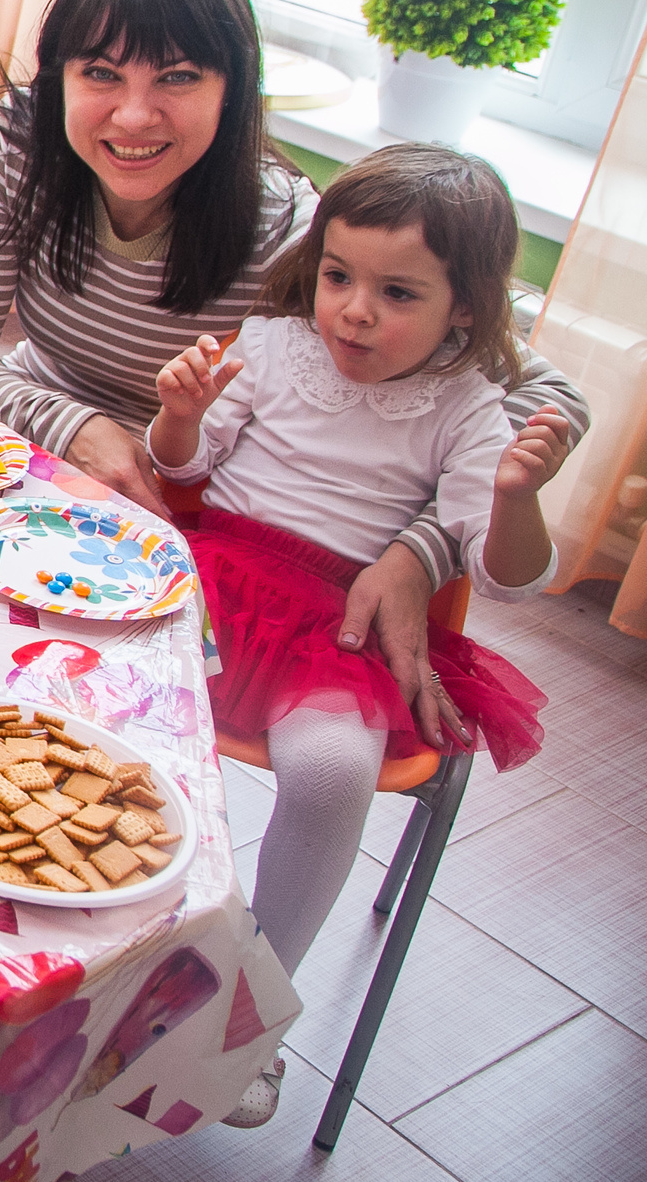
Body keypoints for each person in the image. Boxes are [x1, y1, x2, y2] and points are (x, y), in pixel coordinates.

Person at [0, 0, 587, 724]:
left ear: (232, 90)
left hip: (169, 513)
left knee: (53, 704)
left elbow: (548, 397)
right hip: (25, 440)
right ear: (59, 75)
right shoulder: (20, 141)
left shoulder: (289, 226)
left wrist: (421, 552)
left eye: (177, 77)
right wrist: (80, 427)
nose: (133, 114)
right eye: (99, 72)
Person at [148, 144, 571, 1127]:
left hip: (335, 626)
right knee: (85, 678)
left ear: (465, 308)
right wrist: (177, 419)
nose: (353, 311)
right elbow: (182, 469)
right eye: (337, 276)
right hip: (209, 581)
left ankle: (250, 1011)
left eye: (397, 293)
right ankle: (103, 932)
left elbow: (509, 580)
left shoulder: (468, 406)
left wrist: (518, 498)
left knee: (335, 771)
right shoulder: (271, 343)